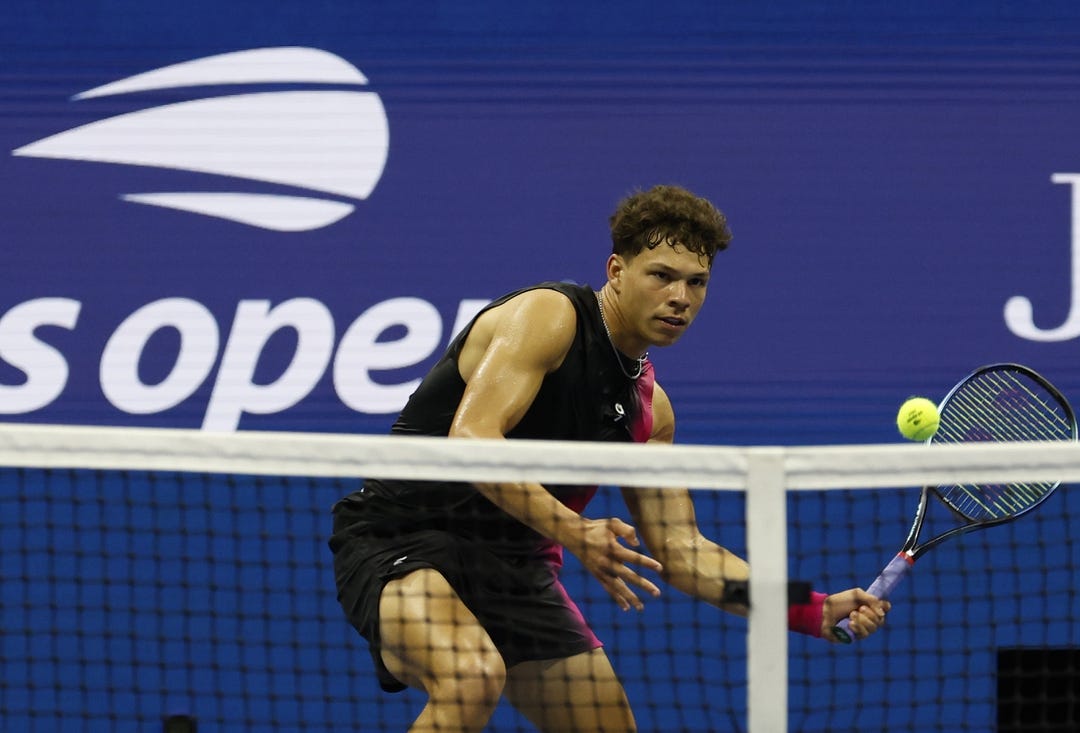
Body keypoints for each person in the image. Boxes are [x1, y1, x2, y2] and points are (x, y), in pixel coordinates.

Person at [328, 184, 890, 732]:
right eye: (662, 276)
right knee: (471, 676)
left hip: (516, 572)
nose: (680, 297)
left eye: (697, 283)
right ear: (617, 271)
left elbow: (686, 552)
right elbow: (472, 441)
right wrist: (575, 532)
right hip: (401, 540)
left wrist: (810, 608)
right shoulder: (549, 317)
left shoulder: (652, 413)